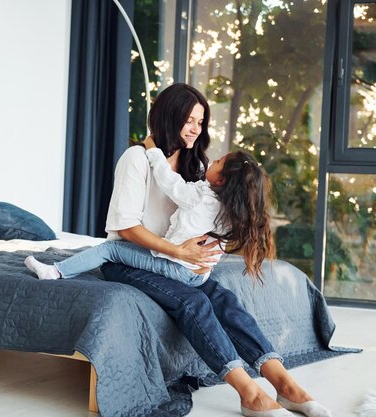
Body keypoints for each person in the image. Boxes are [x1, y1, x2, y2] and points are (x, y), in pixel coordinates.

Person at [66, 83, 332, 417]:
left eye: (201, 121)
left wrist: (208, 249)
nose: (196, 129)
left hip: (179, 262)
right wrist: (178, 251)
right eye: (189, 120)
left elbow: (215, 215)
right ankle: (249, 393)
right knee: (193, 302)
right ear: (169, 117)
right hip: (131, 259)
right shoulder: (137, 158)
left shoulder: (198, 164)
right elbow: (125, 227)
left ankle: (285, 385)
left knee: (226, 301)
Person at [25, 138, 274, 289]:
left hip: (178, 268)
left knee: (109, 249)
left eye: (218, 162)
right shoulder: (227, 209)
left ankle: (54, 271)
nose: (212, 161)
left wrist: (152, 149)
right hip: (199, 276)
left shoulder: (201, 197)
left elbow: (168, 181)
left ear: (221, 181)